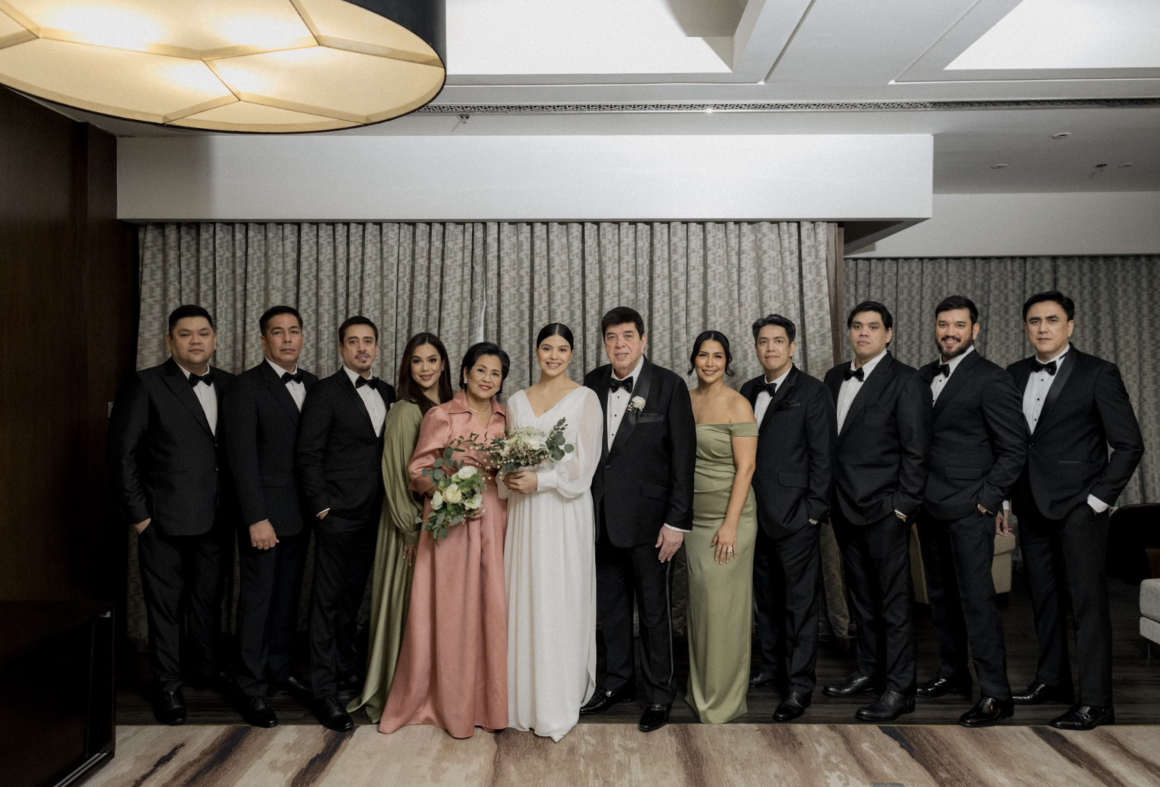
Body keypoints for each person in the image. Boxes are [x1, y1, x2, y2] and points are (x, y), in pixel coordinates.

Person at [1003, 290, 1144, 731]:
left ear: (1070, 326)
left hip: (1080, 509)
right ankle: (1052, 681)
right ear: (1026, 328)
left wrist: (1097, 501)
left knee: (1087, 605)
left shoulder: (1098, 373)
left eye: (1051, 320)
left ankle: (1097, 702)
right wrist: (1006, 498)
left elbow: (1129, 444)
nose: (1042, 328)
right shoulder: (1013, 374)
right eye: (1034, 321)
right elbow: (1010, 444)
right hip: (1030, 504)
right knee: (1043, 600)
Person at [108, 304, 235, 725]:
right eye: (185, 334)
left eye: (203, 333)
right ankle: (167, 686)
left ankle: (205, 671)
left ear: (215, 339)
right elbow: (122, 455)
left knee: (207, 601)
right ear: (169, 340)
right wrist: (139, 517)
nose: (195, 340)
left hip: (217, 518)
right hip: (162, 521)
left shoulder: (231, 385)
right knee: (164, 608)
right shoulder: (145, 384)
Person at [380, 342, 512, 739]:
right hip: (451, 521)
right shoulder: (441, 414)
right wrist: (453, 490)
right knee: (453, 611)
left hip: (496, 520)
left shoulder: (508, 417)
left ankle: (488, 705)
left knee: (491, 608)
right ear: (465, 373)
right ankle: (450, 705)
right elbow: (418, 470)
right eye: (481, 370)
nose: (487, 379)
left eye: (495, 374)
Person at [580, 306, 697, 733]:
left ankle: (660, 694)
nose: (620, 344)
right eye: (612, 337)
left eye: (628, 335)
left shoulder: (669, 385)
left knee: (653, 613)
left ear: (643, 339)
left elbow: (684, 459)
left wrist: (676, 523)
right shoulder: (592, 383)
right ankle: (618, 684)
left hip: (652, 524)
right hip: (602, 519)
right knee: (611, 610)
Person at [913, 296, 1026, 727]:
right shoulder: (923, 376)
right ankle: (952, 672)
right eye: (943, 324)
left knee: (977, 602)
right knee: (940, 598)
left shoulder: (992, 378)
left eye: (959, 325)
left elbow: (1013, 450)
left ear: (975, 330)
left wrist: (988, 501)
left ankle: (997, 693)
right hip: (929, 506)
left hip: (969, 509)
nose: (950, 332)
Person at [822, 301, 932, 722]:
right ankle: (869, 670)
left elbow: (917, 451)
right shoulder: (834, 377)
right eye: (856, 326)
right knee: (862, 599)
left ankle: (900, 689)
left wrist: (903, 507)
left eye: (872, 327)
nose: (863, 333)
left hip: (886, 511)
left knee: (894, 603)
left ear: (888, 334)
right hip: (844, 507)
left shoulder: (906, 380)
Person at [503, 323, 604, 741]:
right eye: (547, 348)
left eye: (562, 349)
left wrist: (541, 480)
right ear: (536, 351)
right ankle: (524, 697)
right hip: (525, 514)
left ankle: (555, 698)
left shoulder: (586, 398)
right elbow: (508, 455)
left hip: (564, 509)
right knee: (526, 593)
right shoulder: (515, 400)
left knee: (560, 595)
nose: (554, 356)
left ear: (572, 354)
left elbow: (585, 465)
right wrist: (510, 477)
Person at [296, 316, 396, 731]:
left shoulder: (388, 392)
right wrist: (322, 509)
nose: (361, 348)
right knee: (326, 602)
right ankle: (324, 692)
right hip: (336, 514)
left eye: (368, 341)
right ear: (341, 348)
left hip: (375, 515)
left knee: (353, 598)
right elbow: (308, 454)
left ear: (377, 347)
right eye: (353, 341)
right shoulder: (325, 391)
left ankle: (345, 666)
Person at [347, 332, 454, 723]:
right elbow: (395, 475)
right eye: (416, 361)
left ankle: (432, 690)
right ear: (408, 366)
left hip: (443, 526)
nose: (425, 368)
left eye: (432, 360)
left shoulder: (452, 406)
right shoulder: (406, 410)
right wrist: (411, 528)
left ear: (444, 364)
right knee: (407, 609)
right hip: (408, 527)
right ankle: (398, 690)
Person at [222, 305, 318, 728]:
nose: (287, 338)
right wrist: (255, 517)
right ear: (263, 341)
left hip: (302, 513)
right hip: (264, 516)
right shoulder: (245, 387)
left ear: (303, 337)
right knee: (258, 601)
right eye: (277, 332)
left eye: (293, 331)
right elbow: (240, 459)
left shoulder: (314, 384)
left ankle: (279, 671)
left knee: (287, 599)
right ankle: (251, 687)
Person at [740, 315, 835, 723]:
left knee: (799, 604)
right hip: (754, 515)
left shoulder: (813, 391)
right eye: (764, 341)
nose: (771, 348)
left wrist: (813, 512)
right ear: (756, 348)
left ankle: (799, 685)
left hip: (796, 515)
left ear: (792, 347)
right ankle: (773, 667)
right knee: (767, 599)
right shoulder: (748, 390)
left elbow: (824, 456)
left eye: (778, 341)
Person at [683, 331, 758, 724]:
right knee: (701, 609)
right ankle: (700, 689)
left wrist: (729, 525)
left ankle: (722, 700)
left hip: (731, 519)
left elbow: (746, 468)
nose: (709, 363)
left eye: (717, 356)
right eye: (703, 355)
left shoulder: (737, 403)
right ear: (693, 359)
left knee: (723, 610)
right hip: (692, 521)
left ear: (727, 362)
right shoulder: (685, 399)